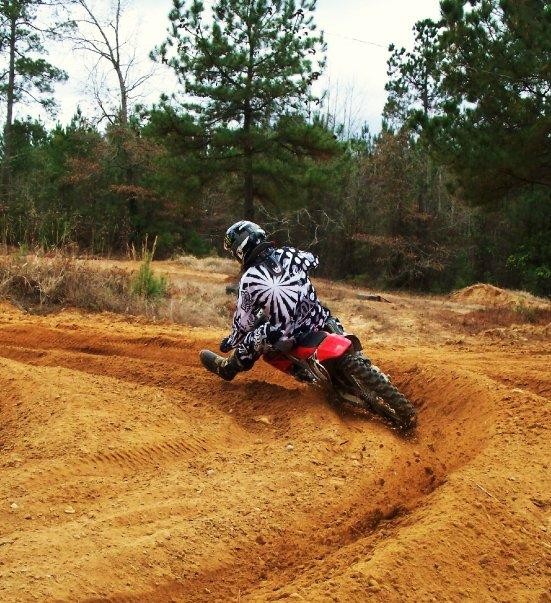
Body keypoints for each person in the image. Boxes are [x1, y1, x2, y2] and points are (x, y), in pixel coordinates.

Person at [200, 220, 337, 381]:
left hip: (287, 334)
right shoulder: (288, 253)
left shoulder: (249, 279)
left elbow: (243, 322)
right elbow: (313, 260)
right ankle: (354, 354)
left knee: (253, 339)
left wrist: (230, 342)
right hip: (315, 318)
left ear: (240, 249)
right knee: (327, 315)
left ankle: (227, 368)